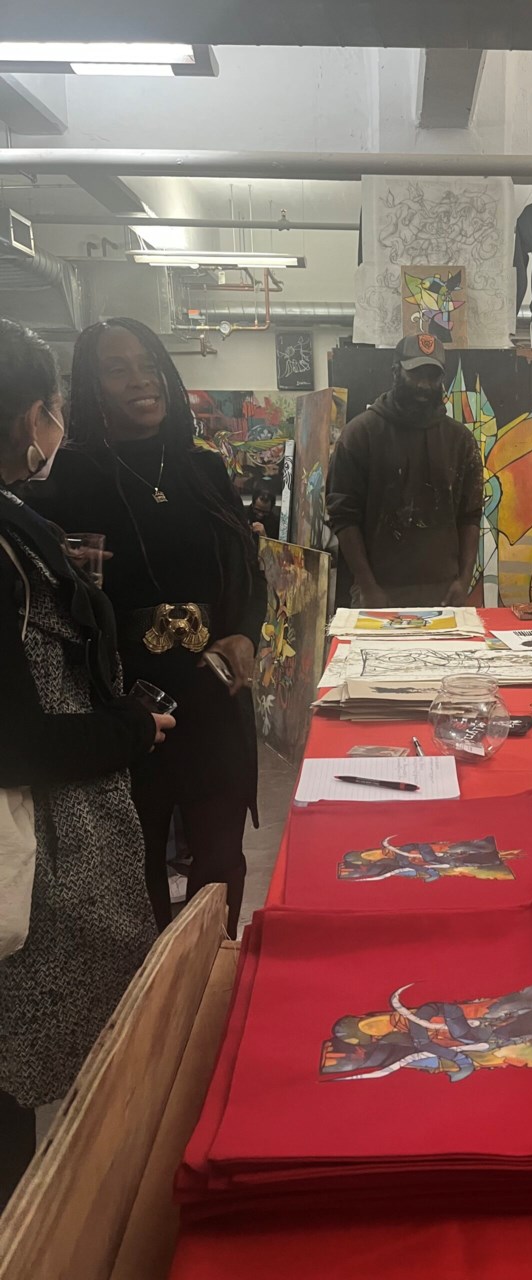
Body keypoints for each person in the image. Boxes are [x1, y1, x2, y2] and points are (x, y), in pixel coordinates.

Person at [0, 319, 173, 1208]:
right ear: (34, 414)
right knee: (40, 1060)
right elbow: (18, 739)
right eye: (54, 407)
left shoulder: (18, 518)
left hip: (67, 826)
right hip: (40, 850)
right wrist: (131, 732)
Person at [27, 318, 266, 939]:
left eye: (149, 364)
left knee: (220, 862)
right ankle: (150, 1007)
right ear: (92, 388)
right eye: (117, 368)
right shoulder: (67, 479)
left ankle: (213, 978)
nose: (140, 379)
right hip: (126, 705)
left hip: (214, 694)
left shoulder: (202, 469)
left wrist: (243, 630)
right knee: (138, 873)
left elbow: (248, 568)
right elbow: (47, 598)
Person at [326, 334, 484, 607]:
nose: (424, 385)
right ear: (395, 372)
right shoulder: (361, 434)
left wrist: (464, 579)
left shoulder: (460, 441)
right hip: (378, 591)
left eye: (433, 376)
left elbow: (470, 515)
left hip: (445, 593)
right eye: (416, 374)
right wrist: (368, 587)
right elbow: (343, 516)